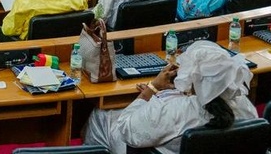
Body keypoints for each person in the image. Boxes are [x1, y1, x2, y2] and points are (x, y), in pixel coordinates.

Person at [83, 41, 257, 154]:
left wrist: (151, 89)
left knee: (101, 116)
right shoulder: (245, 105)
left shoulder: (176, 109)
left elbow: (126, 130)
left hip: (140, 141)